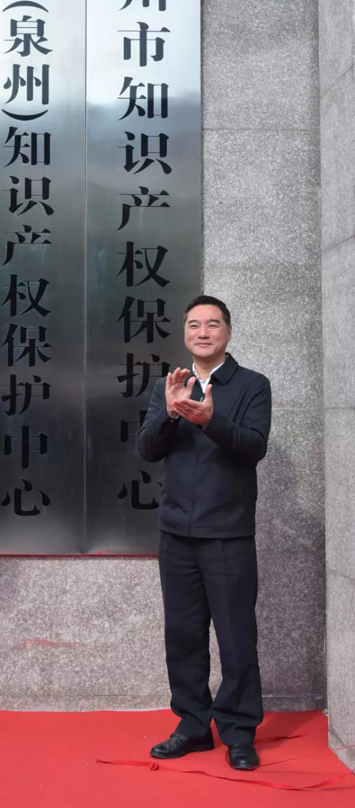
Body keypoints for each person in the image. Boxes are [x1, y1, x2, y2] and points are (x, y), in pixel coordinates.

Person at [138, 295, 271, 771]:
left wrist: (211, 420)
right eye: (194, 324)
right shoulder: (169, 385)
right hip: (176, 532)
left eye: (213, 324)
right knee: (183, 635)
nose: (202, 332)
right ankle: (193, 725)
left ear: (227, 332)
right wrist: (171, 412)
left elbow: (254, 447)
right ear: (184, 333)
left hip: (227, 533)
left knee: (236, 638)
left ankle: (238, 731)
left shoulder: (253, 385)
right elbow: (147, 449)